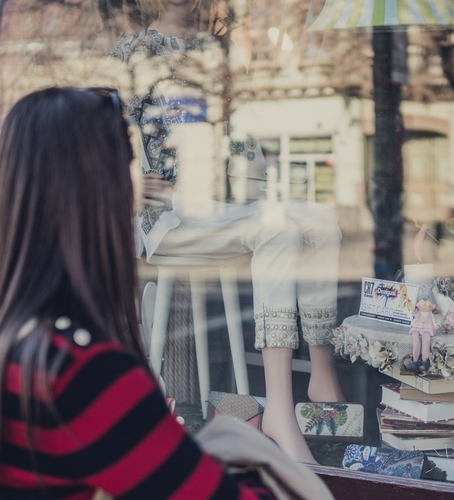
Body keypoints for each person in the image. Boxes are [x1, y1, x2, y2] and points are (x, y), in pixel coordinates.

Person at [0, 87, 282, 500]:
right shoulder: (85, 372)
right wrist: (246, 454)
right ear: (99, 193)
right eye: (131, 168)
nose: (141, 190)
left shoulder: (10, 340)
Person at [104, 0, 345, 463]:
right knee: (278, 231)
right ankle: (278, 408)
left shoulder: (218, 52)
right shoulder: (130, 53)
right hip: (170, 218)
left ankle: (322, 366)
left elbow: (245, 133)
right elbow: (104, 139)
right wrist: (130, 182)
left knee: (321, 217)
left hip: (226, 202)